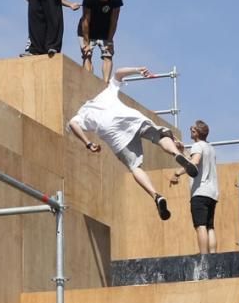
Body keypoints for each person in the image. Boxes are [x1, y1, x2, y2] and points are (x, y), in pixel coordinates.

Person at [67, 66, 198, 221]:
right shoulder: (106, 93)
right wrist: (138, 69)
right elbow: (118, 73)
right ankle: (176, 154)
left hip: (112, 134)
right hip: (127, 118)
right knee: (159, 135)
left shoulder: (81, 115)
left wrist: (88, 143)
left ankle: (156, 196)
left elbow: (73, 124)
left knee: (135, 166)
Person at [169, 120, 219, 254]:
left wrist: (177, 173)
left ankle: (204, 256)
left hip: (200, 192)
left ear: (196, 132)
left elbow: (194, 163)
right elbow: (195, 161)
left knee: (200, 226)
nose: (190, 131)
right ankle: (213, 255)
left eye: (192, 129)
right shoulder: (210, 148)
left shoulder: (197, 146)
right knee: (210, 226)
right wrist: (183, 150)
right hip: (212, 193)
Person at [78, 0, 124, 83]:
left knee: (108, 55)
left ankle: (105, 83)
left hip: (105, 32)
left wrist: (110, 40)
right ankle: (88, 81)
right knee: (87, 54)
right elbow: (86, 21)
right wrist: (86, 41)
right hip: (86, 31)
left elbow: (114, 21)